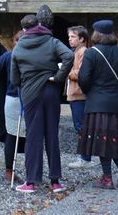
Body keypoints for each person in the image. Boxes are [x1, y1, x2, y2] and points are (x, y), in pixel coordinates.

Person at [11, 11, 74, 194]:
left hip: (31, 93)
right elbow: (69, 57)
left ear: (25, 29)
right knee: (52, 134)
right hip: (51, 90)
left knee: (33, 135)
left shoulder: (19, 47)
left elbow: (14, 79)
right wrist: (58, 77)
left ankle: (31, 182)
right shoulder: (52, 41)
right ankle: (55, 182)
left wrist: (24, 81)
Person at [78, 20, 118, 190]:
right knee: (114, 141)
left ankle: (107, 178)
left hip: (97, 104)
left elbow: (83, 79)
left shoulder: (91, 53)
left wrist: (90, 91)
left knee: (103, 142)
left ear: (96, 34)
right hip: (117, 104)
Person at [0, 30, 26, 184]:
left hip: (12, 97)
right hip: (30, 97)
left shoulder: (8, 56)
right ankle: (32, 172)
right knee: (32, 135)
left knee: (11, 135)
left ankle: (9, 171)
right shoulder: (32, 55)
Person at [66, 25, 92, 169]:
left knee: (81, 126)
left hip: (79, 94)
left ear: (82, 38)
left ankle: (85, 158)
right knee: (80, 126)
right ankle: (85, 157)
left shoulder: (83, 52)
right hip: (75, 94)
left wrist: (66, 71)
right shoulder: (76, 52)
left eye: (73, 36)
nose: (70, 39)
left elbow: (81, 73)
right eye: (69, 37)